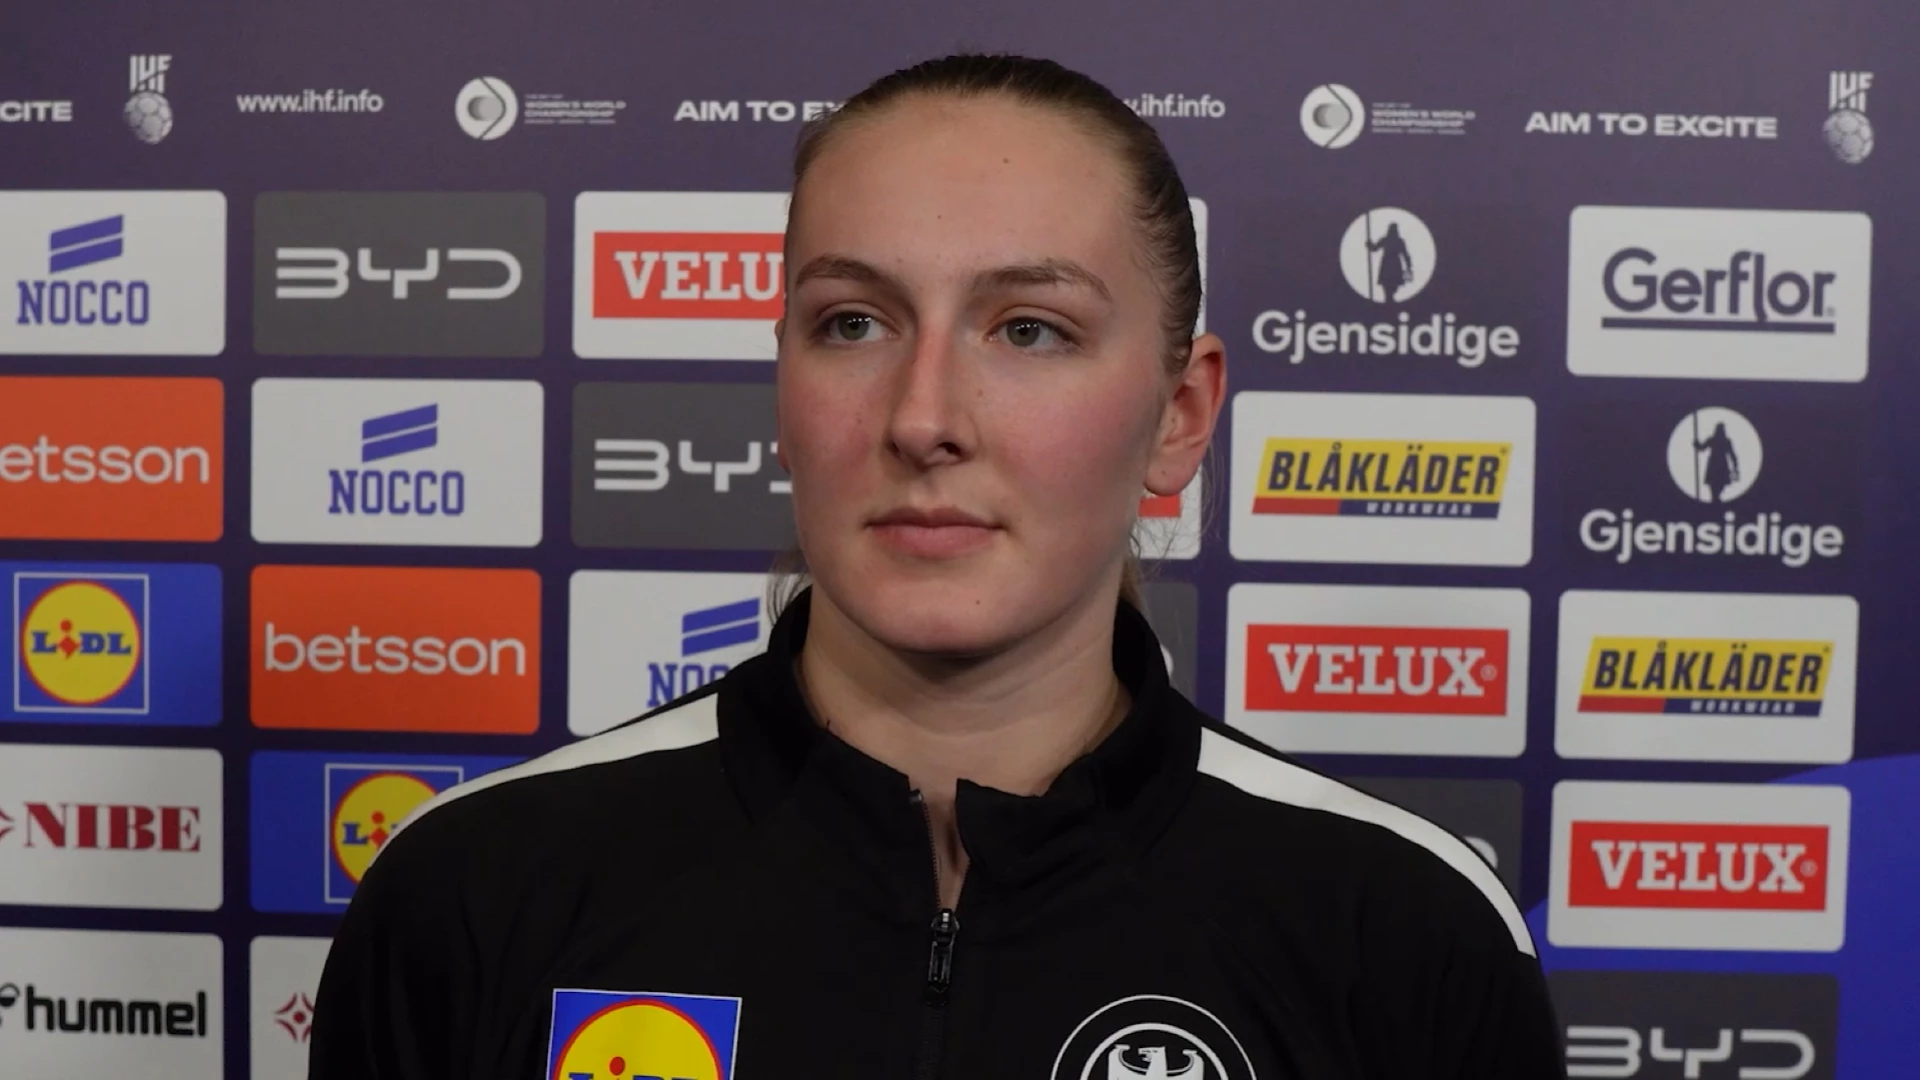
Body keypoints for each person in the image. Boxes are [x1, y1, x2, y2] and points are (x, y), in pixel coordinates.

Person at [310, 53, 1562, 1080]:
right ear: (783, 384)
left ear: (1179, 416)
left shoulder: (1403, 931)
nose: (923, 419)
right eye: (853, 322)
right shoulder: (477, 892)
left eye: (1030, 330)